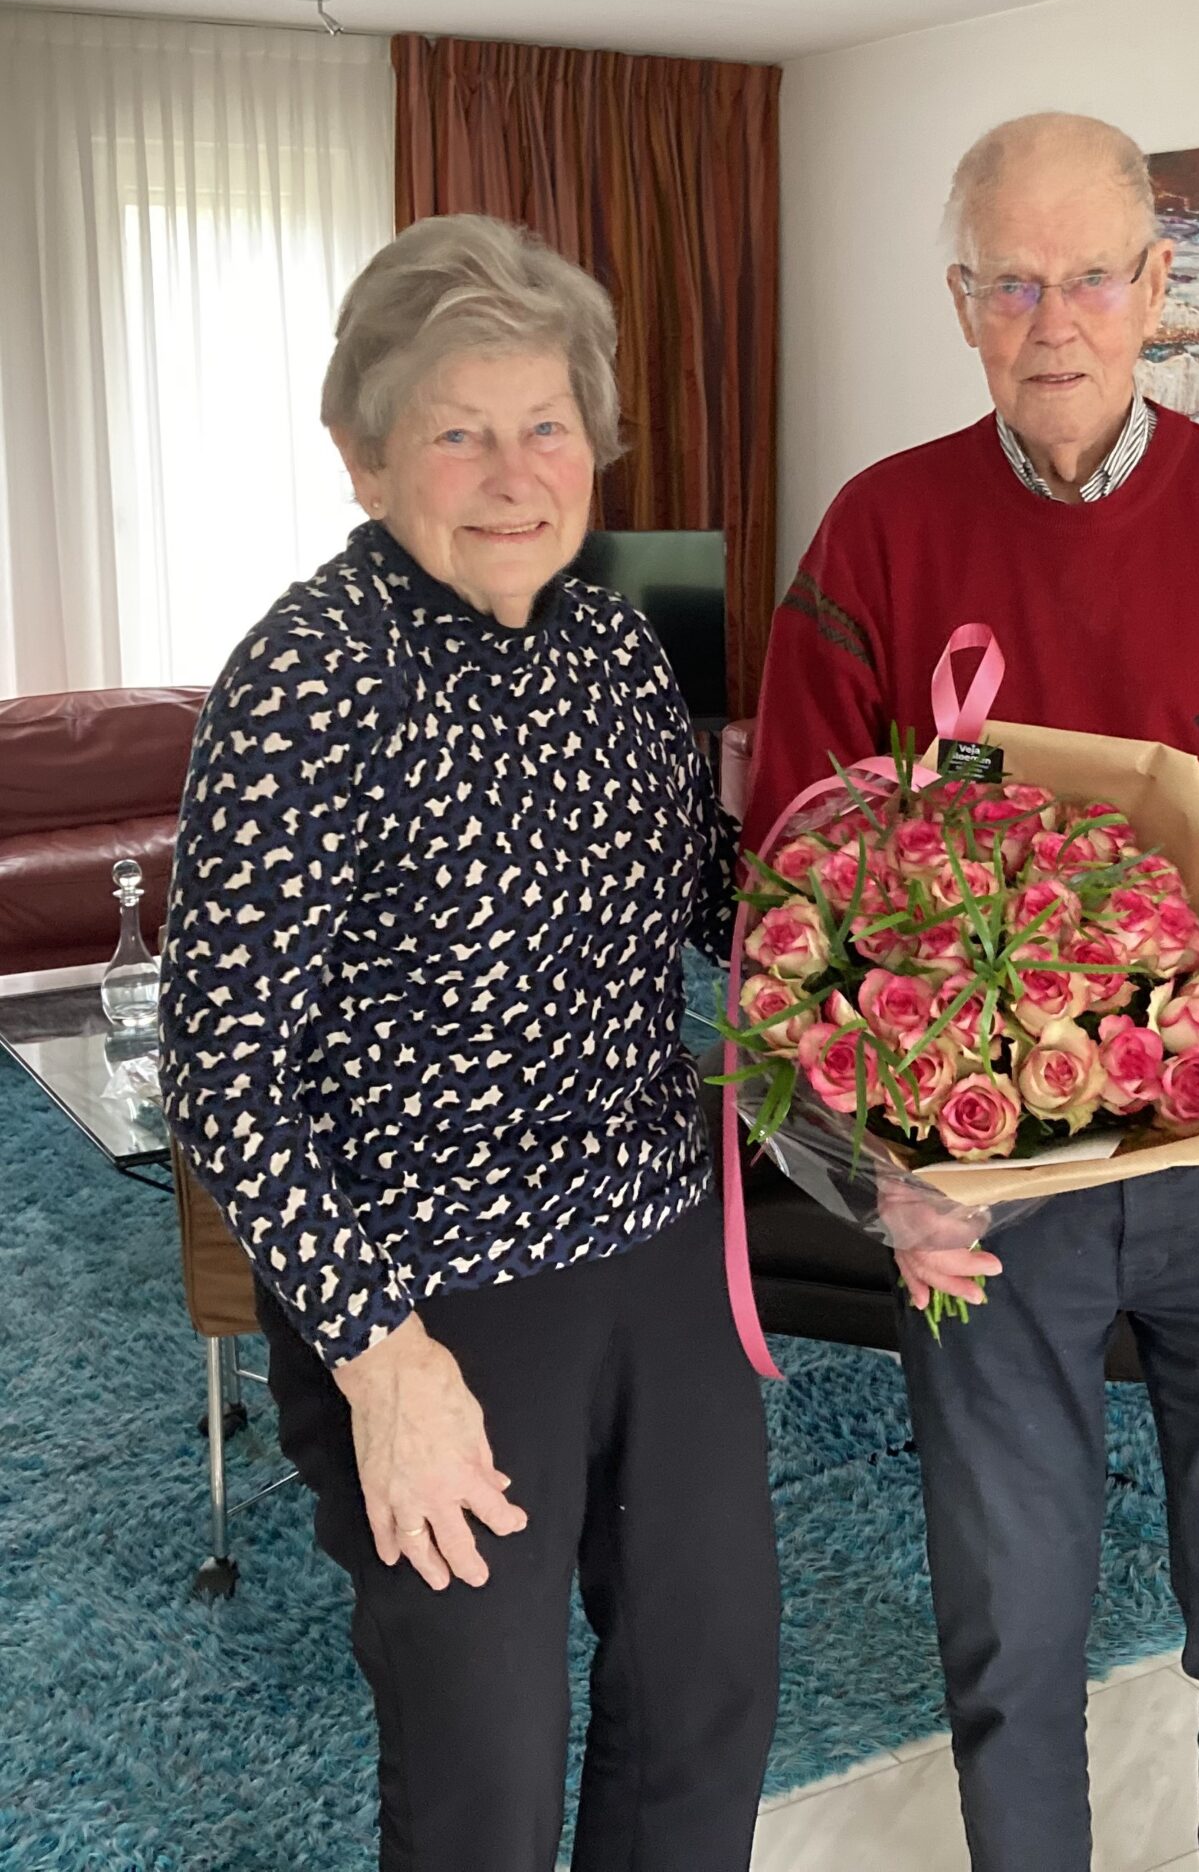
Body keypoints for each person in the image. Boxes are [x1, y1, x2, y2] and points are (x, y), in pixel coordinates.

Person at [742, 113, 1199, 1872]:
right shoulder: (881, 534)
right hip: (987, 1191)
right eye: (1013, 281)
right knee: (1005, 1619)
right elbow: (795, 868)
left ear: (1159, 287)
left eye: (1094, 274)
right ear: (962, 302)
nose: (1057, 319)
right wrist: (876, 1156)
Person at [160, 214, 778, 1872]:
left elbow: (702, 903)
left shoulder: (617, 643)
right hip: (435, 1294)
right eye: (458, 430)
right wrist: (378, 1354)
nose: (514, 473)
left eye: (547, 425)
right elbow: (226, 1069)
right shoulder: (306, 679)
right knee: (482, 1773)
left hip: (659, 1246)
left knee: (708, 1693)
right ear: (366, 461)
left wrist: (903, 931)